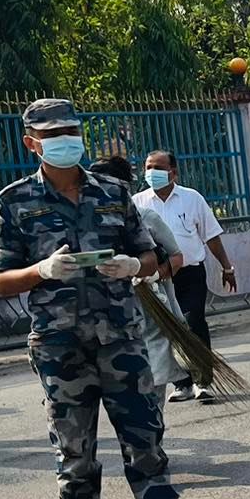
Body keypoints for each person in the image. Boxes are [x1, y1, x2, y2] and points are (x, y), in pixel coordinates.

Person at [0, 102, 209, 499]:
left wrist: (135, 266)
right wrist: (41, 271)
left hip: (121, 340)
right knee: (74, 449)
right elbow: (2, 280)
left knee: (145, 439)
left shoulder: (113, 191)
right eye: (53, 134)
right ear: (31, 142)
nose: (65, 139)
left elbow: (149, 254)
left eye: (71, 131)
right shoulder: (15, 200)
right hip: (60, 345)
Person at [136, 150, 235, 403]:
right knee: (165, 329)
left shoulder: (192, 199)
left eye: (158, 167)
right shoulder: (137, 203)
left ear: (173, 172)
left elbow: (211, 235)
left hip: (190, 272)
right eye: (148, 167)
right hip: (158, 278)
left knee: (194, 322)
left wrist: (226, 266)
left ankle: (203, 380)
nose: (152, 173)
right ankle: (182, 383)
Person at [96, 156, 187, 395]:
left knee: (153, 379)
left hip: (150, 307)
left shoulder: (146, 217)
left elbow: (176, 257)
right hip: (108, 313)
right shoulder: (90, 225)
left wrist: (153, 274)